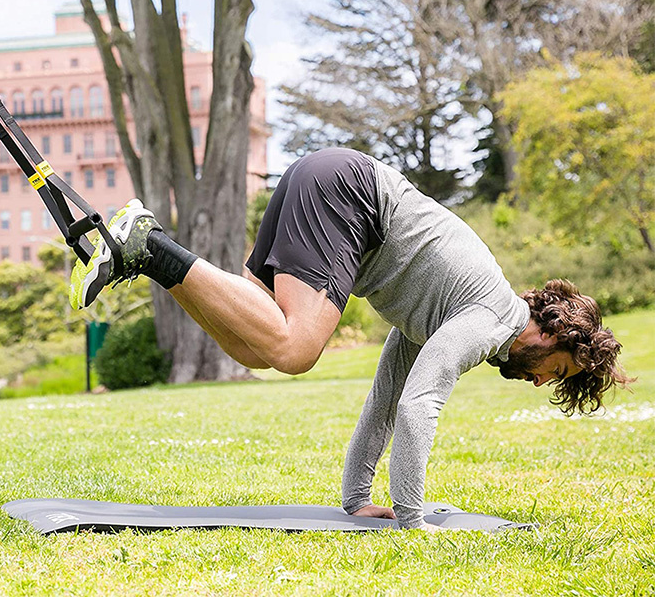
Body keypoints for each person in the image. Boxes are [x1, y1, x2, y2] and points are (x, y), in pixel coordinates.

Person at [69, 148, 632, 530]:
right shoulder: (489, 317)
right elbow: (419, 407)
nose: (538, 380)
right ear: (553, 331)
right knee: (295, 349)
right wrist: (413, 520)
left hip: (320, 176)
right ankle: (147, 244)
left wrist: (357, 502)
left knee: (251, 344)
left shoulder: (444, 312)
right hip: (349, 193)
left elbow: (386, 401)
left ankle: (149, 253)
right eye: (556, 370)